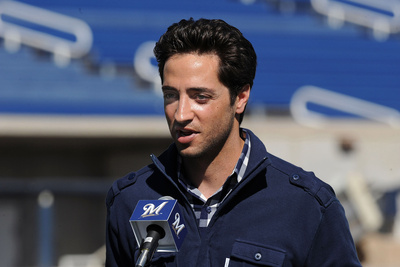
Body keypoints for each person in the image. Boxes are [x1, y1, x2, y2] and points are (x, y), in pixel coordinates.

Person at [105, 18, 362, 266]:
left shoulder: (306, 205)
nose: (181, 114)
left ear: (240, 98)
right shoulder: (130, 199)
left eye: (200, 97)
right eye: (171, 95)